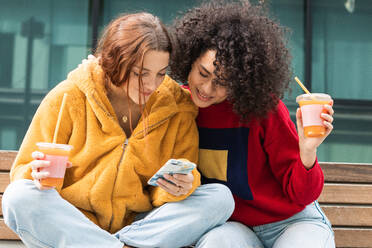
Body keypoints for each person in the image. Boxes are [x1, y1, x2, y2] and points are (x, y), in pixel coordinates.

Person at [2, 12, 234, 248]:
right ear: (115, 61)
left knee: (220, 198)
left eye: (161, 74)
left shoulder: (178, 108)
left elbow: (164, 193)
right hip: (76, 222)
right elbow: (23, 172)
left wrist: (181, 186)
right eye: (140, 73)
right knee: (18, 196)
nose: (152, 85)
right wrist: (38, 175)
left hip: (142, 227)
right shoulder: (68, 97)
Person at [169, 1, 335, 247]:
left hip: (291, 222)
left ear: (240, 80)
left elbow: (302, 194)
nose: (206, 89)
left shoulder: (262, 109)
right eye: (203, 74)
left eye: (222, 82)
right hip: (232, 226)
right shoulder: (175, 106)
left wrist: (308, 150)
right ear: (189, 61)